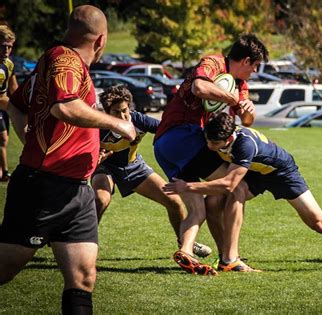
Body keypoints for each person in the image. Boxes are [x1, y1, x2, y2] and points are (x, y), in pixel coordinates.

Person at [0, 5, 136, 315]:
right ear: (101, 41)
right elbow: (64, 107)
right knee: (4, 269)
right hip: (44, 189)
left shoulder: (59, 60)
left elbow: (14, 104)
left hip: (78, 191)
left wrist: (33, 139)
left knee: (83, 278)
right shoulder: (65, 60)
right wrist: (117, 123)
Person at [164, 112, 322, 273]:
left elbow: (228, 183)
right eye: (208, 140)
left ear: (229, 138)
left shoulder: (244, 145)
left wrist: (187, 187)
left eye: (214, 143)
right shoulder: (218, 135)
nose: (209, 146)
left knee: (319, 223)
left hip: (282, 172)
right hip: (255, 172)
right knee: (214, 204)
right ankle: (228, 260)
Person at [153, 34, 268, 275]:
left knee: (199, 207)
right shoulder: (214, 63)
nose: (255, 72)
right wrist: (234, 98)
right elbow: (199, 86)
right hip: (183, 135)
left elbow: (247, 120)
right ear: (246, 60)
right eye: (255, 66)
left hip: (164, 146)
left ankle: (185, 252)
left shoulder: (239, 85)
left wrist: (248, 109)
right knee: (236, 186)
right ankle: (231, 258)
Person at [91, 85, 211, 257]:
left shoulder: (138, 120)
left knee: (175, 202)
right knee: (101, 199)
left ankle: (185, 244)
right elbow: (82, 149)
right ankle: (83, 242)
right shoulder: (98, 127)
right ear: (107, 112)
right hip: (106, 167)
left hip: (134, 167)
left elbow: (167, 129)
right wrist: (96, 156)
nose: (122, 116)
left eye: (124, 110)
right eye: (115, 112)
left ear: (130, 107)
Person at [0, 25, 18, 181]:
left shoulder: (9, 64)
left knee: (4, 140)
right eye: (3, 46)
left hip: (3, 107)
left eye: (10, 47)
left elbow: (14, 88)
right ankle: (4, 172)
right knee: (3, 138)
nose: (7, 50)